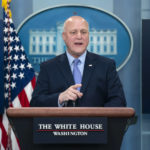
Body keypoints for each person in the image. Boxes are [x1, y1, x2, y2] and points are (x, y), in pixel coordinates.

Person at [30, 16, 126, 107]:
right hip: (60, 124)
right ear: (64, 36)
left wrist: (97, 118)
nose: (79, 36)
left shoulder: (106, 65)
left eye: (84, 32)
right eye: (73, 32)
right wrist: (59, 98)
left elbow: (119, 101)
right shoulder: (48, 67)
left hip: (97, 124)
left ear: (88, 36)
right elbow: (35, 103)